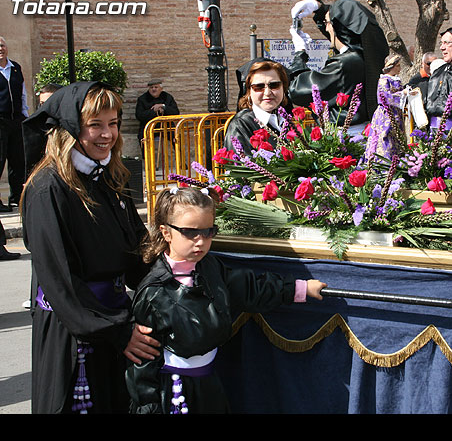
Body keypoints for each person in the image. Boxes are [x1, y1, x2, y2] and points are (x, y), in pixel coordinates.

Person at [21, 81, 161, 413]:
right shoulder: (48, 190)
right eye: (94, 125)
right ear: (69, 129)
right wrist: (119, 331)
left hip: (116, 322)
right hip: (77, 333)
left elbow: (137, 253)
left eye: (112, 124)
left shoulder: (111, 177)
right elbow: (61, 281)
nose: (107, 134)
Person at [126, 186, 327, 414]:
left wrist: (301, 288)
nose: (200, 241)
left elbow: (251, 288)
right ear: (166, 232)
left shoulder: (211, 268)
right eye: (190, 232)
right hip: (174, 393)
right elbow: (142, 365)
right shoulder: (154, 292)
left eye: (208, 231)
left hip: (209, 388)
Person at [288, 0, 388, 133]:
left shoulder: (344, 63)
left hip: (344, 136)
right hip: (362, 131)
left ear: (338, 28)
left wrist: (300, 53)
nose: (326, 27)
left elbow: (298, 90)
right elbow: (343, 31)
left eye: (327, 23)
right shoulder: (367, 56)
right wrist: (319, 8)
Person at [223, 60, 290, 156]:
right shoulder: (240, 125)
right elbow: (240, 166)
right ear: (249, 92)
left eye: (274, 85)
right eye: (259, 87)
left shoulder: (286, 121)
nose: (267, 93)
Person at [0, 36, 28, 210]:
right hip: (0, 121)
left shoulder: (15, 68)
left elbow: (23, 93)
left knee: (17, 161)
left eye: (2, 45)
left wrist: (25, 115)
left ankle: (16, 197)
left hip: (16, 120)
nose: (0, 49)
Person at [365, 54, 409, 160]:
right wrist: (402, 93)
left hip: (396, 113)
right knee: (386, 136)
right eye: (397, 66)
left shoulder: (396, 79)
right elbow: (384, 97)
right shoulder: (384, 80)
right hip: (386, 113)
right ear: (391, 66)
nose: (400, 68)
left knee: (398, 138)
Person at [135, 79, 180, 146]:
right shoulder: (142, 99)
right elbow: (139, 115)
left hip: (166, 126)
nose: (153, 89)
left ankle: (179, 155)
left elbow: (176, 112)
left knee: (177, 138)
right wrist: (154, 111)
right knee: (143, 139)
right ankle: (146, 156)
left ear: (161, 89)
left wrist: (163, 107)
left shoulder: (167, 97)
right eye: (151, 87)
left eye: (156, 87)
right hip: (149, 126)